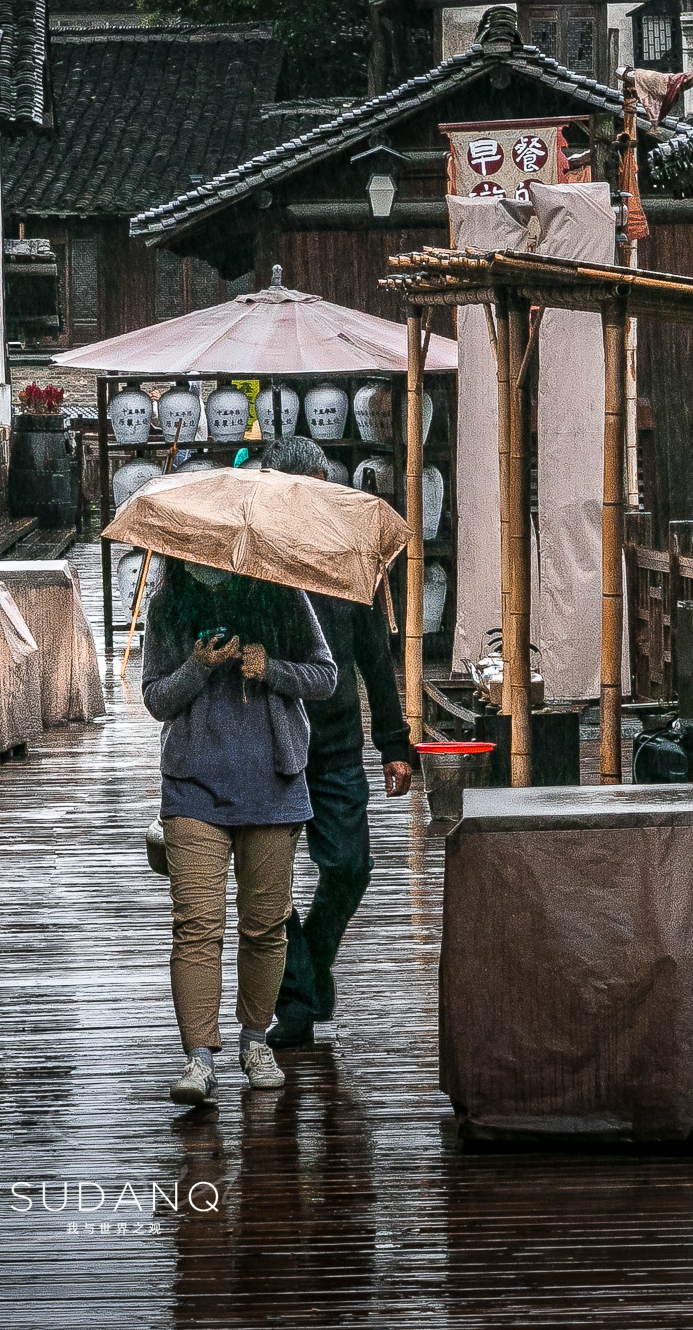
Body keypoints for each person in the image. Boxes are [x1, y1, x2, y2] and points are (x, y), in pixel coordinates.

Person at [141, 557, 337, 1105]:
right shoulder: (169, 605)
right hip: (193, 788)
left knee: (265, 926)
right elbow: (156, 698)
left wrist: (270, 667)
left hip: (274, 783)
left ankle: (256, 1041)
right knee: (196, 925)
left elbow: (326, 676)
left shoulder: (283, 595)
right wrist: (198, 666)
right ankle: (199, 1057)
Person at [262, 435, 415, 1048]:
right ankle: (297, 1000)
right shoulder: (253, 554)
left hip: (335, 740)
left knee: (351, 867)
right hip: (267, 742)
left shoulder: (348, 556)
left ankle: (311, 967)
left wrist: (395, 742)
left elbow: (375, 654)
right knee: (264, 883)